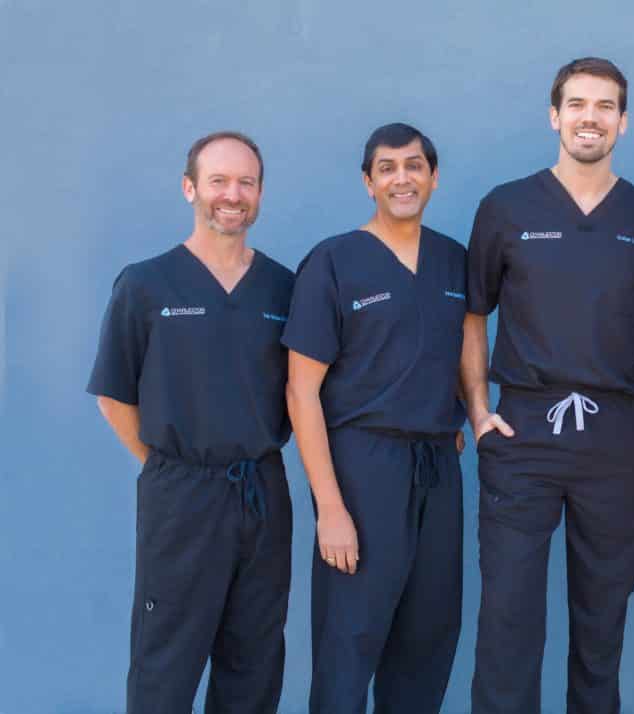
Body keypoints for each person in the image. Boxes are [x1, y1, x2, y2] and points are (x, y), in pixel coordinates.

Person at [464, 57, 634, 714]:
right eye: (578, 104)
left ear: (623, 121)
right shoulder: (505, 208)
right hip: (524, 429)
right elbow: (473, 316)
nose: (591, 117)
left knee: (602, 623)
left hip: (615, 437)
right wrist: (478, 411)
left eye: (605, 105)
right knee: (507, 622)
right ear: (554, 116)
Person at [87, 131, 295, 713]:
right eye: (219, 181)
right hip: (181, 492)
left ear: (259, 194)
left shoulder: (283, 287)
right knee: (166, 661)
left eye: (246, 183)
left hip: (262, 490)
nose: (233, 194)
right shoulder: (146, 284)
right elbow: (113, 396)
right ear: (189, 188)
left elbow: (303, 390)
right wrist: (168, 470)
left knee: (254, 658)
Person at [283, 123, 467, 714]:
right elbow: (300, 391)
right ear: (368, 183)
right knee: (351, 637)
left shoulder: (453, 262)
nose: (401, 178)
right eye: (386, 168)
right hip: (364, 469)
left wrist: (456, 418)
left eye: (414, 165)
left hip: (439, 467)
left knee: (429, 633)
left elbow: (461, 353)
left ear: (433, 178)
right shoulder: (334, 262)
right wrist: (330, 508)